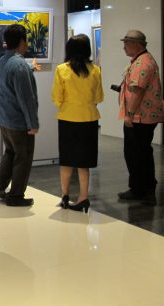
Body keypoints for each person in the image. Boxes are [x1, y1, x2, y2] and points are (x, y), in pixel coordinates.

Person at [51, 34, 104, 213]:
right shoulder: (95, 70)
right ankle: (83, 197)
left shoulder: (61, 69)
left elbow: (56, 97)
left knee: (66, 159)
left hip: (67, 118)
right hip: (89, 118)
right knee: (84, 162)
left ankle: (65, 195)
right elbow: (99, 97)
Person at [117, 30, 164, 206]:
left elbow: (138, 90)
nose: (124, 47)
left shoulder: (142, 62)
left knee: (135, 153)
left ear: (136, 44)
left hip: (140, 117)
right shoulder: (143, 59)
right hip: (143, 116)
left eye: (126, 43)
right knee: (142, 152)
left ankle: (139, 189)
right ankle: (145, 187)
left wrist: (129, 114)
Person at [0, 24, 39, 207]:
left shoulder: (5, 60)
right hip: (18, 121)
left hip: (4, 117)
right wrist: (32, 123)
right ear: (21, 41)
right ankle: (16, 195)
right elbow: (26, 99)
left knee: (11, 152)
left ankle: (0, 185)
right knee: (23, 157)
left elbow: (12, 84)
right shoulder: (20, 65)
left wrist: (30, 69)